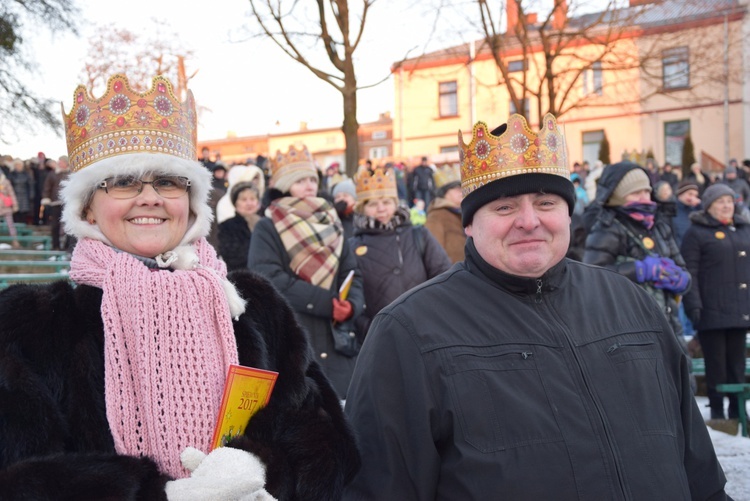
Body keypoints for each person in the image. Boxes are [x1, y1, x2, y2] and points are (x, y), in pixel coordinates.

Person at [0, 74, 359, 500]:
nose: (150, 197)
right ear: (88, 209)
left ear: (189, 205)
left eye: (168, 182)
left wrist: (259, 466)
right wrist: (160, 495)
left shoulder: (252, 307)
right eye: (124, 181)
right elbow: (18, 476)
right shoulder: (32, 324)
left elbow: (332, 446)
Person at [344, 113, 729, 499]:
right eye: (505, 208)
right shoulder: (410, 331)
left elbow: (700, 473)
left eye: (546, 202)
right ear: (469, 224)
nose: (529, 221)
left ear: (567, 212)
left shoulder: (629, 303)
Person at [247, 144, 365, 399]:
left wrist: (352, 305)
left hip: (337, 341)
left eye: (312, 178)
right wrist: (326, 302)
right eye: (300, 180)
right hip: (294, 338)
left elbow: (352, 272)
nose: (310, 185)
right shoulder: (268, 226)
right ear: (284, 185)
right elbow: (268, 278)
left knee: (348, 417)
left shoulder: (331, 221)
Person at [583, 163, 690, 343]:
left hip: (669, 325)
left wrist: (681, 279)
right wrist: (638, 270)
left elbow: (682, 266)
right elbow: (592, 277)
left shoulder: (659, 225)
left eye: (646, 192)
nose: (644, 198)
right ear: (618, 197)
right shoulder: (607, 228)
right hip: (629, 327)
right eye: (635, 193)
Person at [349, 168, 450, 343]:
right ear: (362, 209)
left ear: (396, 203)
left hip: (426, 328)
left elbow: (443, 276)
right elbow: (351, 294)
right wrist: (369, 328)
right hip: (381, 336)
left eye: (386, 202)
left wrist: (434, 316)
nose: (381, 209)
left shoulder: (418, 235)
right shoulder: (353, 246)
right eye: (372, 204)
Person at [681, 183, 750, 432]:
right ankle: (719, 414)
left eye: (729, 201)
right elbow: (691, 272)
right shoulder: (696, 233)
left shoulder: (743, 229)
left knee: (737, 365)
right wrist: (694, 305)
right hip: (711, 311)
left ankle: (738, 411)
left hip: (740, 310)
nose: (726, 206)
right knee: (716, 365)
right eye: (720, 202)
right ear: (709, 206)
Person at [217, 182, 262, 272]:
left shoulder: (266, 223)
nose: (249, 203)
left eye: (252, 199)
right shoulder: (227, 226)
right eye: (244, 200)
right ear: (236, 203)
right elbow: (231, 257)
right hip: (242, 276)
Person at [424, 165, 465, 263]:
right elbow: (433, 252)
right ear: (445, 192)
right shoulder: (436, 215)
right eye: (456, 189)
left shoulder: (464, 211)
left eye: (461, 188)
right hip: (451, 273)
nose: (461, 192)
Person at [41, 155, 71, 250]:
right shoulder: (53, 174)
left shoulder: (71, 174)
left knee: (68, 225)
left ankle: (67, 246)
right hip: (55, 202)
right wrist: (46, 198)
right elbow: (47, 187)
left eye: (61, 161)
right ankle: (55, 245)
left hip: (68, 203)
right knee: (54, 225)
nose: (59, 163)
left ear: (66, 163)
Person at [7, 159, 35, 225]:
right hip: (14, 196)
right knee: (16, 213)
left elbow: (31, 185)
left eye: (19, 165)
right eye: (16, 165)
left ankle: (23, 226)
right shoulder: (11, 175)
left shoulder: (26, 174)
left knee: (24, 213)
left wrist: (31, 194)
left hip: (24, 196)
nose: (18, 166)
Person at [0, 172, 19, 247]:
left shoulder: (6, 182)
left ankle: (15, 241)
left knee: (10, 225)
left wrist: (15, 205)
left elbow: (11, 194)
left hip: (5, 207)